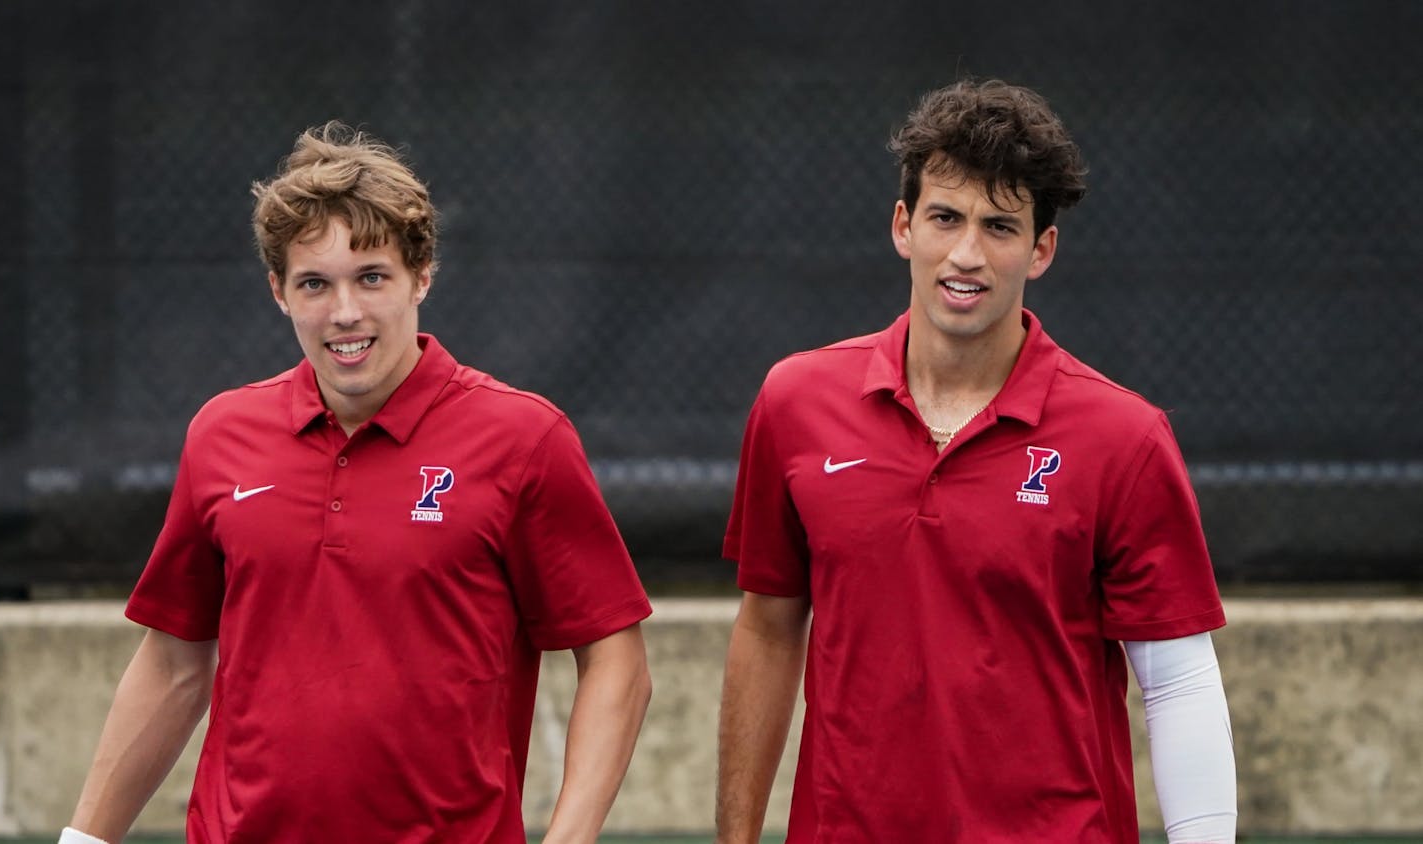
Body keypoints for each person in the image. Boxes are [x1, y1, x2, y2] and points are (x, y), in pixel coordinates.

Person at [60, 122, 653, 843]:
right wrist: (84, 839)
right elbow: (174, 661)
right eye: (315, 283)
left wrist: (569, 837)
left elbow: (616, 661)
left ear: (422, 276)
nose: (345, 312)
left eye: (372, 277)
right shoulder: (221, 434)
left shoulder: (524, 438)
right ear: (279, 291)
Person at [716, 79, 1237, 843]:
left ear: (1042, 248)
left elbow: (1179, 681)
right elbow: (766, 629)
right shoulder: (796, 400)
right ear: (903, 226)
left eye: (1000, 226)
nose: (967, 253)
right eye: (945, 218)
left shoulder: (1124, 435)